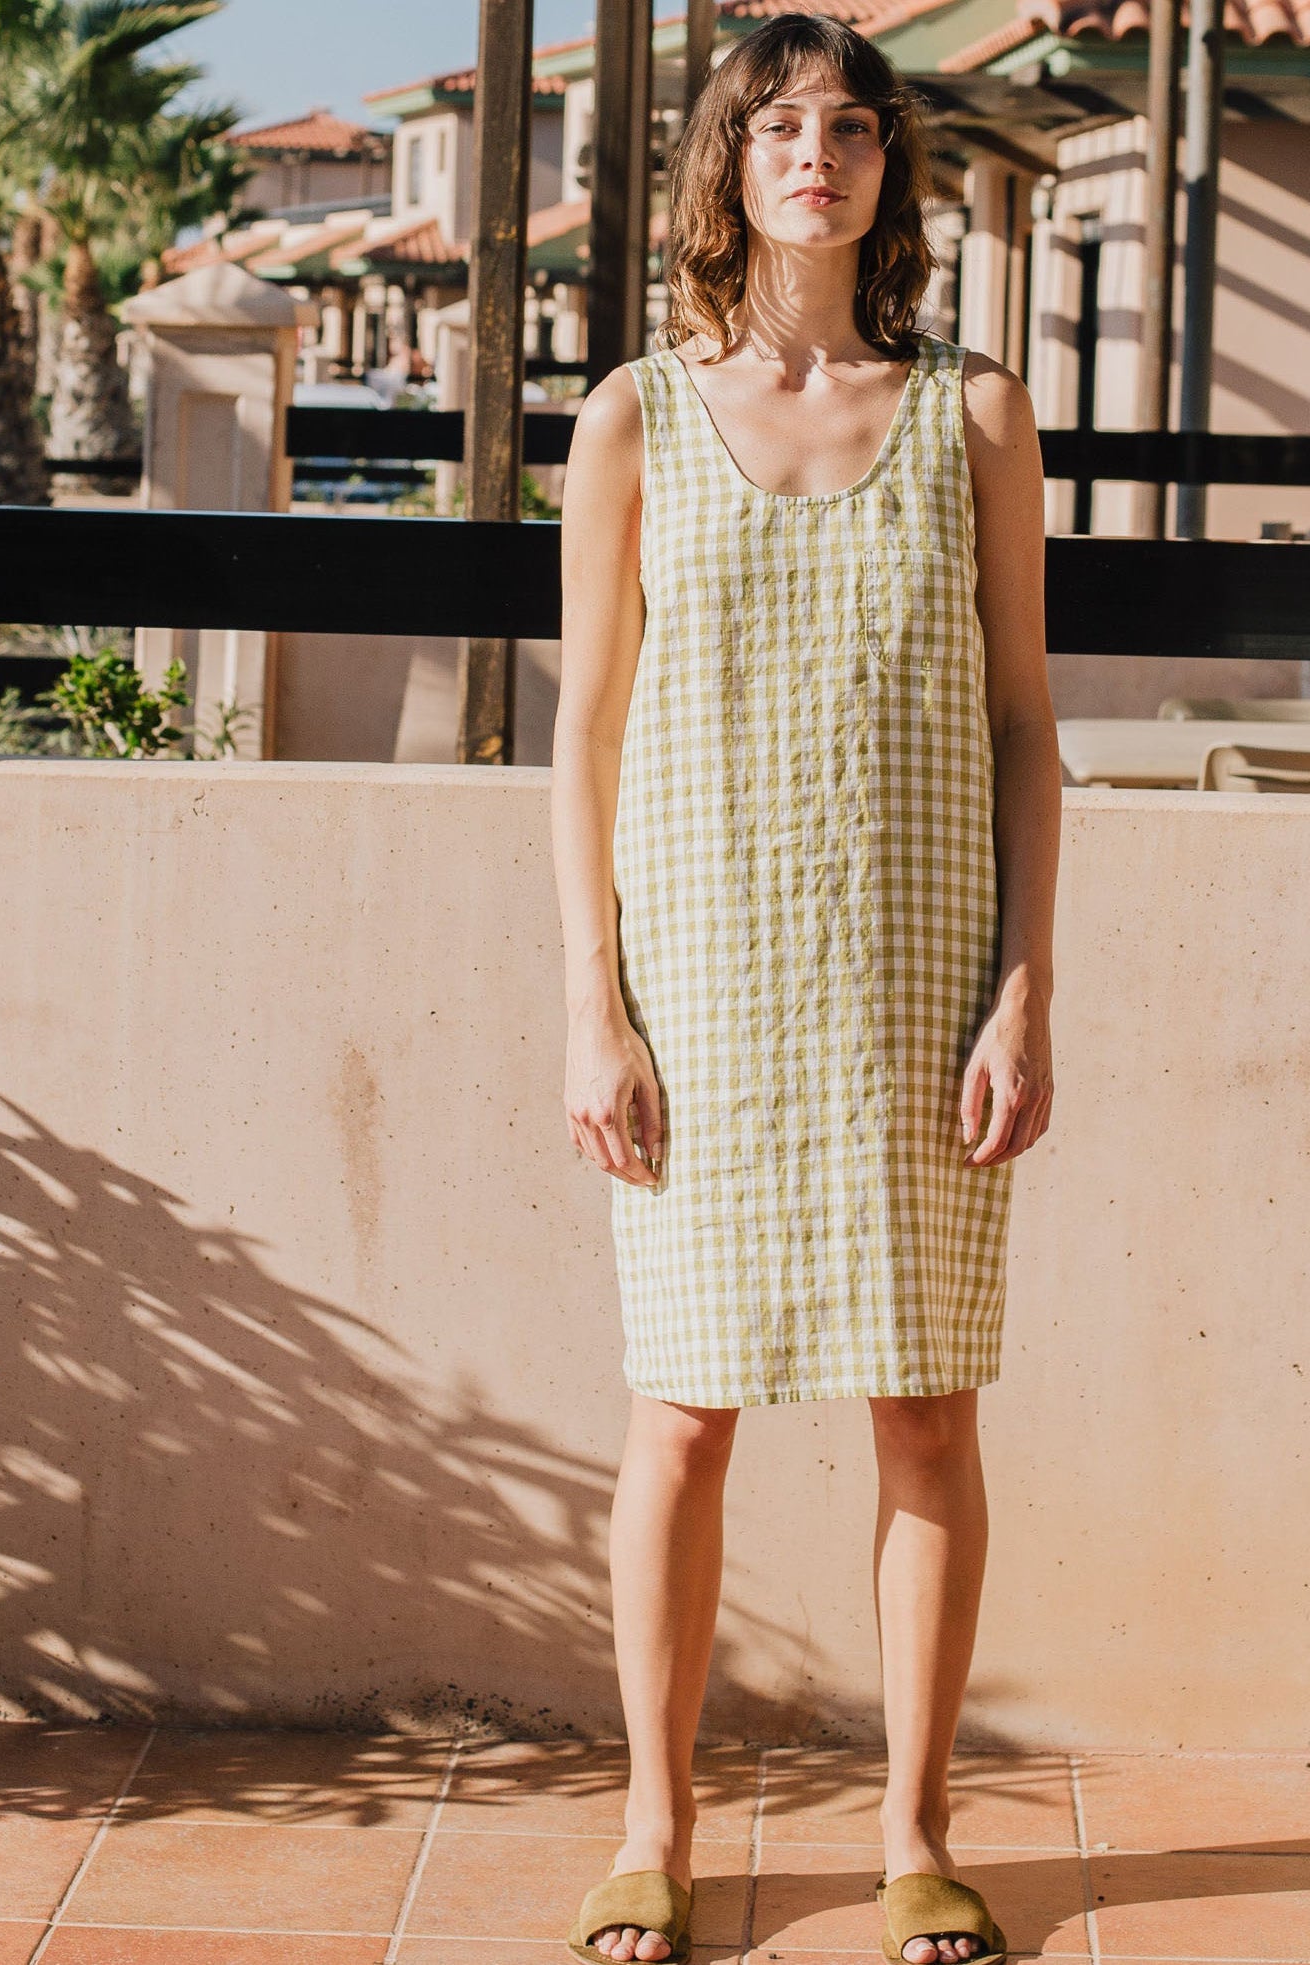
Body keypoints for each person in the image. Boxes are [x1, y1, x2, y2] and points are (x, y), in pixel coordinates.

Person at [551, 15, 1060, 1965]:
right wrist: (591, 1006)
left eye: (851, 125)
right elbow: (584, 738)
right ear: (729, 162)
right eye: (778, 124)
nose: (817, 154)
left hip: (918, 980)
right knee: (682, 1413)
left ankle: (917, 1833)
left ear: (886, 171)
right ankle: (652, 1831)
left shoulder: (976, 417)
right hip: (699, 982)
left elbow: (1025, 728)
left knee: (924, 1410)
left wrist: (1024, 991)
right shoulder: (631, 420)